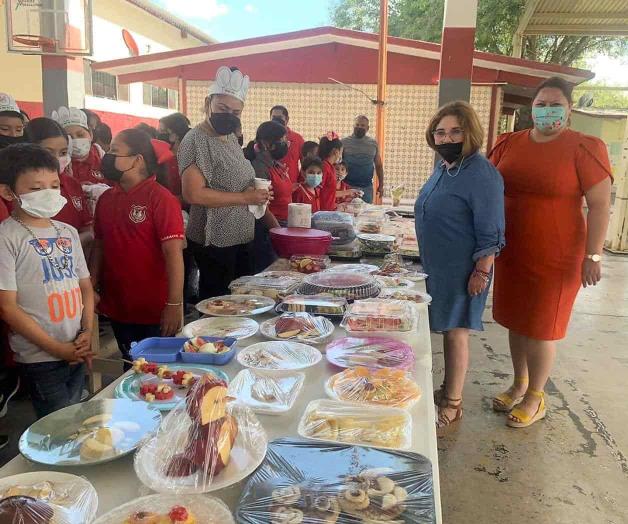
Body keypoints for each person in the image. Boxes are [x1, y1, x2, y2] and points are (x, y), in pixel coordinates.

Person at [489, 76, 612, 428]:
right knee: (516, 320)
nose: (547, 110)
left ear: (569, 110)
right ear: (532, 108)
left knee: (543, 326)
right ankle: (519, 384)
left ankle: (536, 397)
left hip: (557, 253)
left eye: (555, 104)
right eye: (541, 104)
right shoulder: (508, 143)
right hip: (513, 251)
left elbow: (600, 206)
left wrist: (594, 255)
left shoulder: (584, 147)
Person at [415, 101, 505, 428]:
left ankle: (453, 403)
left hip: (464, 269)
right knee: (448, 330)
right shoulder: (444, 166)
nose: (446, 137)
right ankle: (446, 388)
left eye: (455, 131)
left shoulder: (481, 174)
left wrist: (482, 270)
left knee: (456, 333)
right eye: (440, 132)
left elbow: (491, 228)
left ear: (470, 133)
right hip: (437, 265)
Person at [0, 144, 95, 419]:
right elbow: (7, 307)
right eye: (36, 188)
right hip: (40, 357)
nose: (49, 194)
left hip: (76, 346)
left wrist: (87, 332)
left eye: (54, 185)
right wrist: (57, 349)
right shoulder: (7, 237)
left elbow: (85, 288)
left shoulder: (67, 232)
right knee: (57, 423)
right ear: (8, 192)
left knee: (76, 413)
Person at [179, 66, 276, 299]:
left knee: (241, 302)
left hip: (240, 235)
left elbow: (233, 178)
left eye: (236, 112)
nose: (229, 116)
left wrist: (256, 193)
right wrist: (245, 197)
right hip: (214, 240)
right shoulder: (195, 140)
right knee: (219, 303)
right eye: (222, 108)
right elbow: (193, 194)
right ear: (208, 103)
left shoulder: (230, 138)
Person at [90, 129, 184, 364]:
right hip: (118, 303)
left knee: (158, 372)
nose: (108, 157)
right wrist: (90, 287)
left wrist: (174, 304)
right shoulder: (106, 199)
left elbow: (173, 254)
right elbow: (99, 247)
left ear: (137, 160)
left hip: (154, 307)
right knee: (130, 364)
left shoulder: (161, 198)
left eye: (114, 151)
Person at [24, 118, 93, 243]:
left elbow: (86, 228)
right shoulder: (19, 189)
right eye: (48, 153)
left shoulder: (72, 185)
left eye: (63, 152)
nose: (55, 159)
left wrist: (71, 244)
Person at [245, 121, 292, 223]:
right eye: (282, 140)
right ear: (266, 143)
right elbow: (262, 207)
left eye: (286, 140)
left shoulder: (276, 164)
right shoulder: (259, 168)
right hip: (271, 226)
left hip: (284, 222)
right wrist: (277, 229)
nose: (286, 144)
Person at [52, 107, 107, 186]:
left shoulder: (101, 158)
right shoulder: (60, 165)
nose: (76, 140)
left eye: (80, 135)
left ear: (90, 134)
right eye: (69, 137)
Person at [342, 115, 384, 203]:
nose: (359, 127)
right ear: (353, 126)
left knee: (366, 214)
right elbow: (337, 165)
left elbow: (379, 166)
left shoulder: (373, 144)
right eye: (357, 125)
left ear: (367, 128)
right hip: (347, 186)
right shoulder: (344, 143)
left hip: (366, 188)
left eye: (362, 125)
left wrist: (381, 185)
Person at [270, 105, 304, 183]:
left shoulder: (297, 139)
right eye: (274, 117)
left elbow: (305, 163)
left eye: (279, 117)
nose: (276, 120)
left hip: (292, 184)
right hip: (271, 183)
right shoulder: (266, 138)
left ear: (287, 119)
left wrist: (300, 182)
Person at [318, 132, 343, 211]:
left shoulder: (331, 167)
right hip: (322, 211)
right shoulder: (324, 167)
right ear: (336, 151)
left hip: (329, 209)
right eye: (341, 152)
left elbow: (330, 192)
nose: (341, 155)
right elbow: (318, 191)